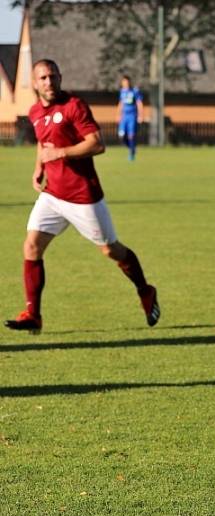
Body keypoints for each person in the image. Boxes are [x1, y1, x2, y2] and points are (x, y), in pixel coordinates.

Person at [4, 59, 160, 335]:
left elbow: (97, 144)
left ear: (60, 78)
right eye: (43, 78)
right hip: (52, 195)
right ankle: (33, 314)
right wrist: (39, 165)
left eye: (53, 77)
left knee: (111, 249)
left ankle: (145, 290)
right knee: (31, 247)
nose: (49, 82)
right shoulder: (35, 111)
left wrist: (61, 153)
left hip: (82, 196)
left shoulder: (75, 106)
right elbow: (43, 141)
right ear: (35, 82)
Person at [117, 75, 144, 161]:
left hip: (132, 116)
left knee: (131, 136)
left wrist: (140, 115)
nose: (125, 83)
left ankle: (131, 153)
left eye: (127, 82)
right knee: (121, 135)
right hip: (124, 117)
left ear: (129, 82)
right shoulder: (122, 92)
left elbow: (139, 103)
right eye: (124, 82)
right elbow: (121, 104)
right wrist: (118, 115)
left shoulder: (134, 91)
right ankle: (132, 148)